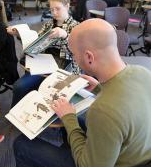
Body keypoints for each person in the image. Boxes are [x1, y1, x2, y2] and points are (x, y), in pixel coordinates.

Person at [14, 18, 151, 167]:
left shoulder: (103, 111)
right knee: (77, 119)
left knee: (21, 144)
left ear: (89, 57)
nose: (74, 58)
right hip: (139, 151)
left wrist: (69, 118)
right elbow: (126, 102)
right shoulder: (143, 72)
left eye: (73, 54)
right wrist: (100, 88)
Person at [7, 0, 79, 107]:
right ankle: (15, 115)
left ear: (67, 6)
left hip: (64, 68)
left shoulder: (76, 27)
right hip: (43, 63)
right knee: (19, 87)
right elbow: (34, 43)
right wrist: (20, 34)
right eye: (51, 10)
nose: (54, 13)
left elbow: (76, 54)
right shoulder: (49, 24)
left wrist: (65, 36)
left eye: (58, 9)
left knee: (50, 96)